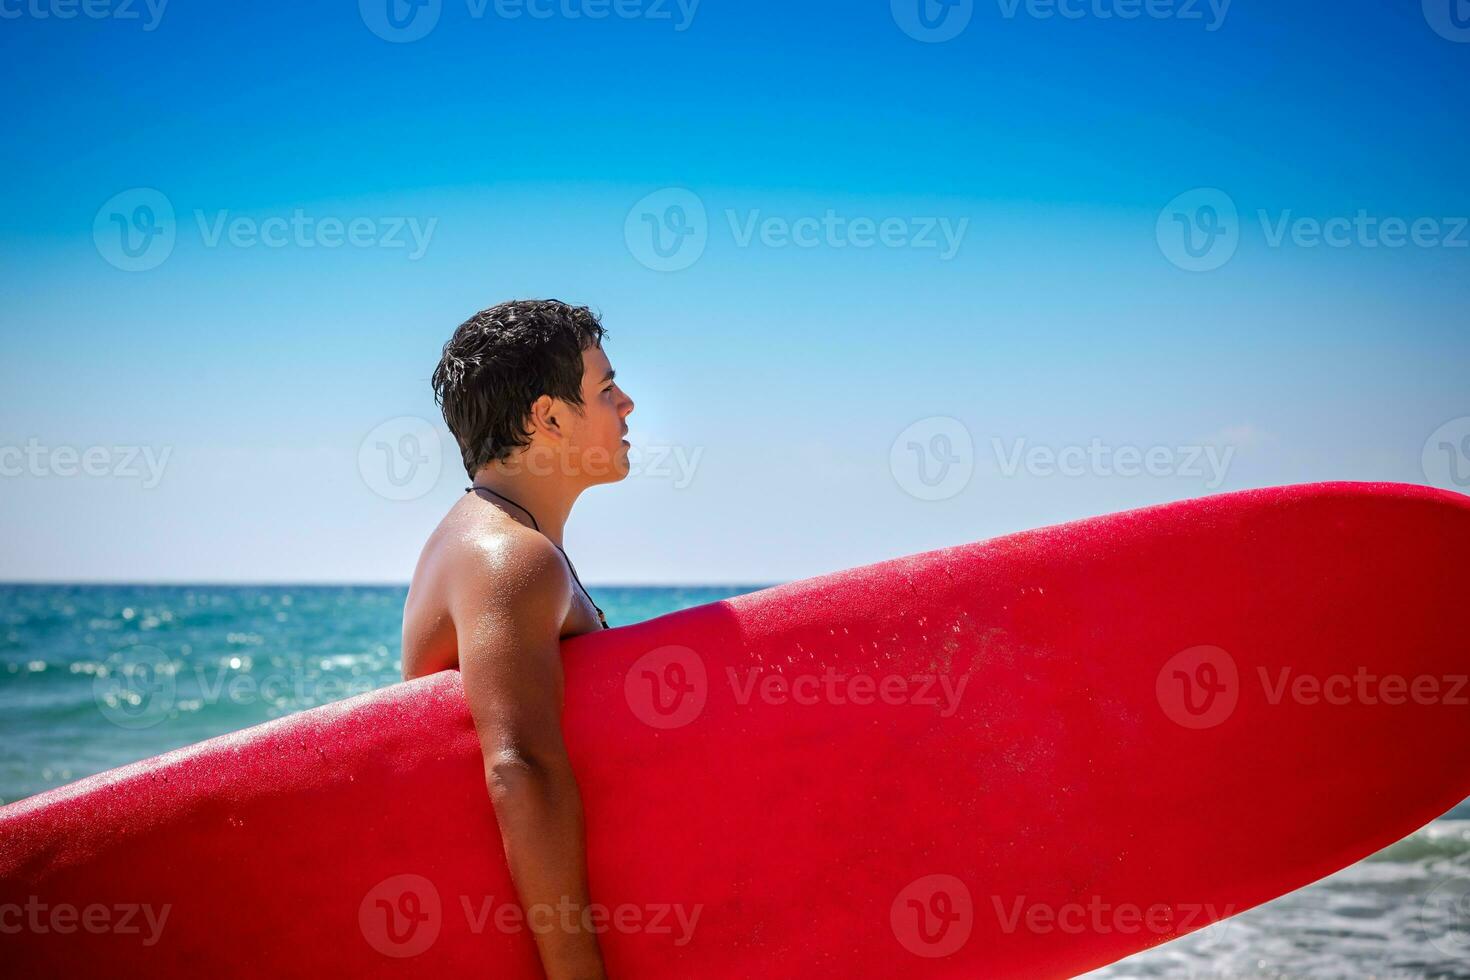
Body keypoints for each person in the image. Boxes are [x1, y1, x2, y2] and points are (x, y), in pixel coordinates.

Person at [401, 299, 634, 980]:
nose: (628, 405)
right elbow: (519, 765)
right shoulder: (510, 558)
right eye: (605, 388)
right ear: (549, 418)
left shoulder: (485, 540)